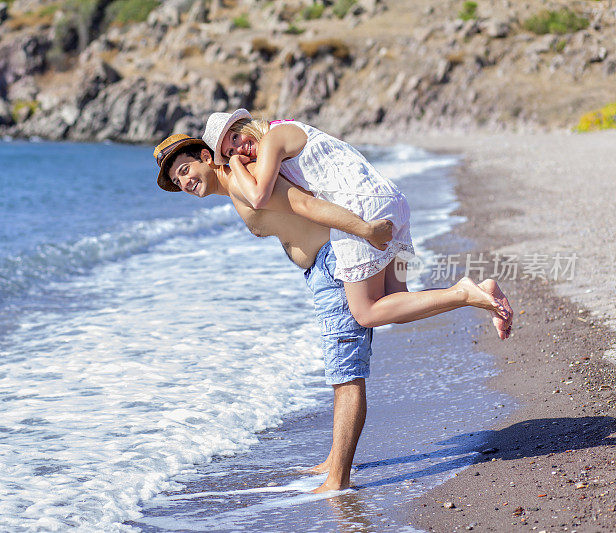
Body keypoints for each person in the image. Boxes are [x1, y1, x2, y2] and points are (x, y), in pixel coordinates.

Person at [152, 134, 513, 493]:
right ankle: (469, 291)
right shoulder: (238, 183)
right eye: (177, 180)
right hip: (339, 254)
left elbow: (304, 204)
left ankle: (338, 479)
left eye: (185, 169)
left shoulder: (240, 178)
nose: (184, 182)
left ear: (205, 156)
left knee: (345, 373)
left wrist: (364, 231)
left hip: (337, 260)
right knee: (394, 306)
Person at [202, 109, 513, 340]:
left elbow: (258, 196)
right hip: (393, 203)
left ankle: (464, 293)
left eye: (236, 139)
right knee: (398, 300)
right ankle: (478, 293)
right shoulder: (293, 128)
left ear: (245, 125)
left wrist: (230, 165)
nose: (240, 150)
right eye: (230, 151)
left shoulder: (271, 140)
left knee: (365, 312)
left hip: (363, 212)